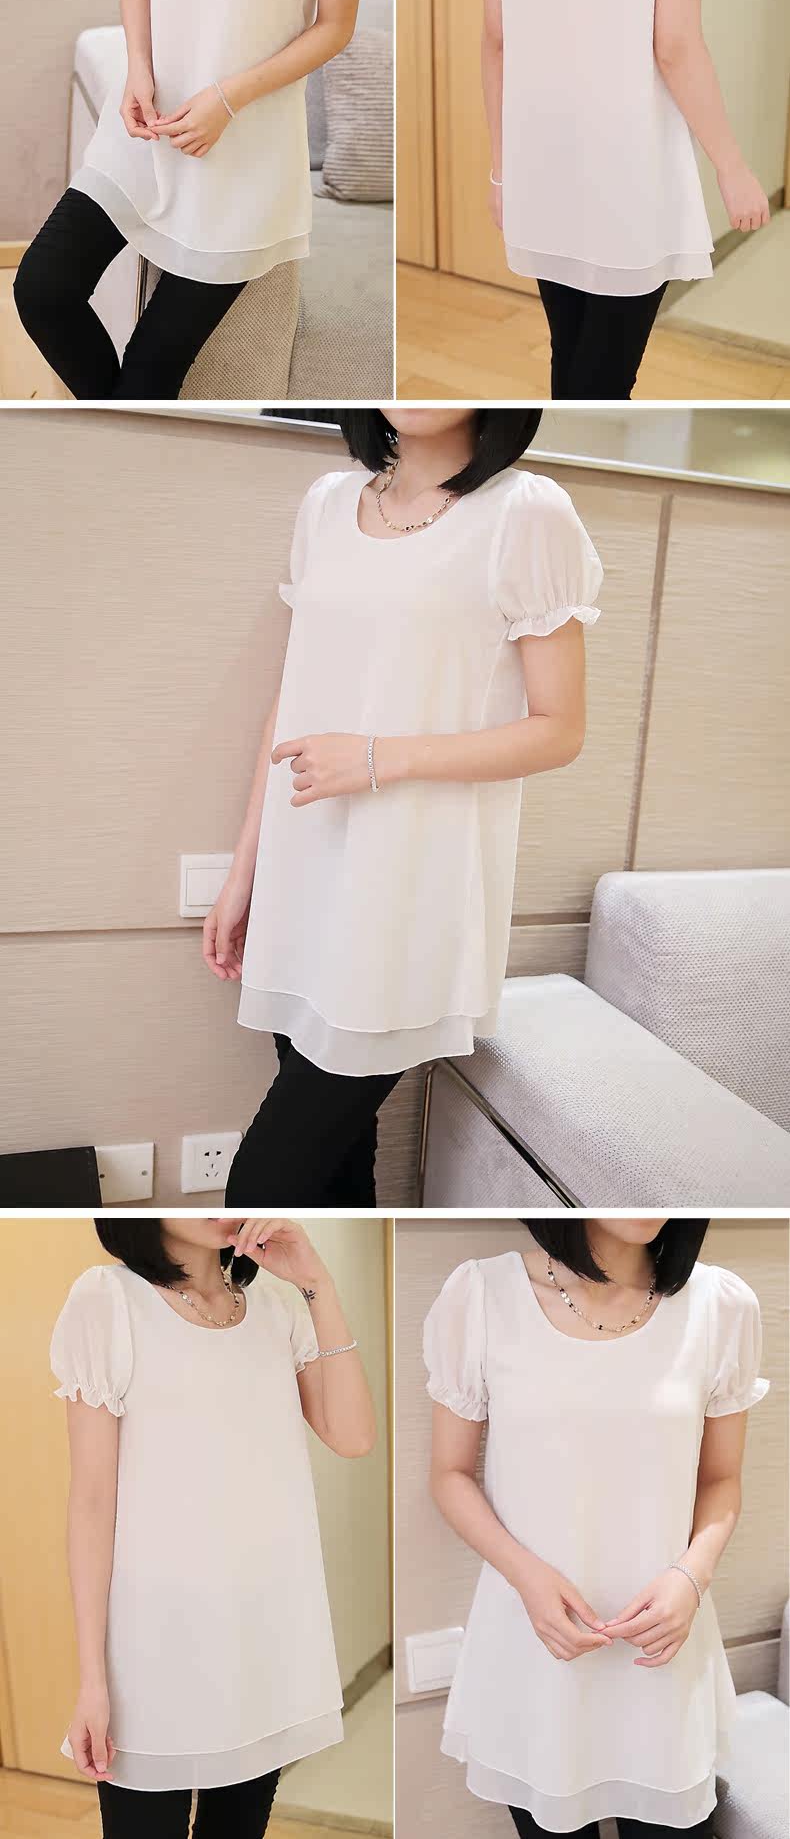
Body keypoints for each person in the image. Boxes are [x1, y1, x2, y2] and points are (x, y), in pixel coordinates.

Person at [203, 406, 602, 1207]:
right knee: (336, 1168)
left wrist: (379, 756)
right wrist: (246, 870)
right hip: (303, 874)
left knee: (264, 1185)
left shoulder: (525, 513)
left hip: (408, 889)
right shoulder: (326, 503)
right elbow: (293, 697)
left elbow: (560, 730)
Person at [14, 0, 377, 398]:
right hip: (143, 134)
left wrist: (227, 99)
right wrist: (138, 67)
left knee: (150, 377)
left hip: (241, 159)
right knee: (42, 288)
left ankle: (117, 438)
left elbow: (334, 26)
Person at [425, 1216, 768, 1836]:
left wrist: (691, 1576)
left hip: (663, 1656)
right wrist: (527, 1577)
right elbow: (450, 1475)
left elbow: (721, 1479)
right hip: (535, 1651)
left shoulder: (720, 1306)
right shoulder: (482, 1296)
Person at [51, 1214, 375, 1838]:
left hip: (266, 1632)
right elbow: (91, 1502)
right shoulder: (109, 1299)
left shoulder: (276, 1305)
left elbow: (354, 1436)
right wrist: (92, 1679)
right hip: (155, 1642)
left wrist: (318, 1284)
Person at [472, 0, 770, 399]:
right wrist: (733, 166)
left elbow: (497, 38)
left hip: (539, 162)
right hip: (628, 169)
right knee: (605, 378)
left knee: (570, 353)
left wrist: (502, 174)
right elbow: (675, 42)